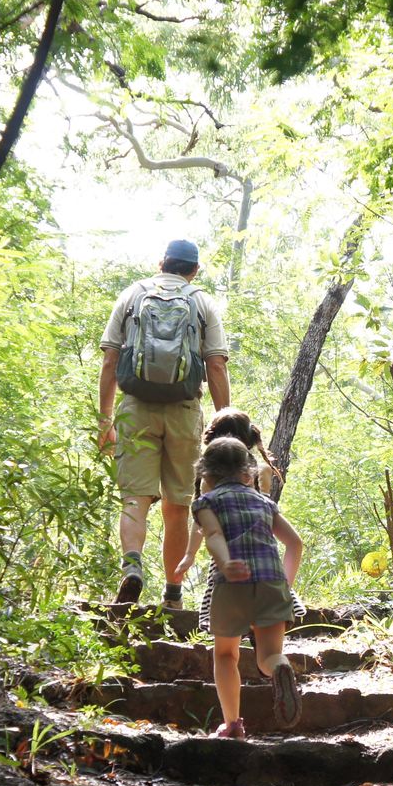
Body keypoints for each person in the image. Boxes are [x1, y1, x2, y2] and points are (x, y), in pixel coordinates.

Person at [98, 239, 230, 608]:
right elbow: (216, 365)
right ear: (194, 270)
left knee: (134, 498)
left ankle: (132, 569)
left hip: (135, 408)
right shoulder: (202, 302)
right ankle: (173, 596)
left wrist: (105, 419)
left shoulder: (132, 295)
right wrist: (224, 422)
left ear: (161, 263)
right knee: (177, 505)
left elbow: (110, 360)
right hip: (184, 412)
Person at [189, 436, 304, 738]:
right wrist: (284, 587)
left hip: (232, 584)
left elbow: (213, 533)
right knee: (267, 656)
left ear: (206, 476)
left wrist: (226, 562)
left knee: (226, 655)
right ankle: (281, 667)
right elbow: (294, 543)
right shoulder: (266, 502)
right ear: (248, 472)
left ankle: (232, 725)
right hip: (271, 584)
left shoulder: (206, 502)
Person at [177, 407, 307, 632]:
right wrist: (284, 585)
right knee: (268, 635)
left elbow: (207, 527)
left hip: (228, 561)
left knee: (227, 644)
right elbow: (287, 535)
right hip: (266, 562)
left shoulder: (211, 480)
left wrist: (189, 555)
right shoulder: (261, 470)